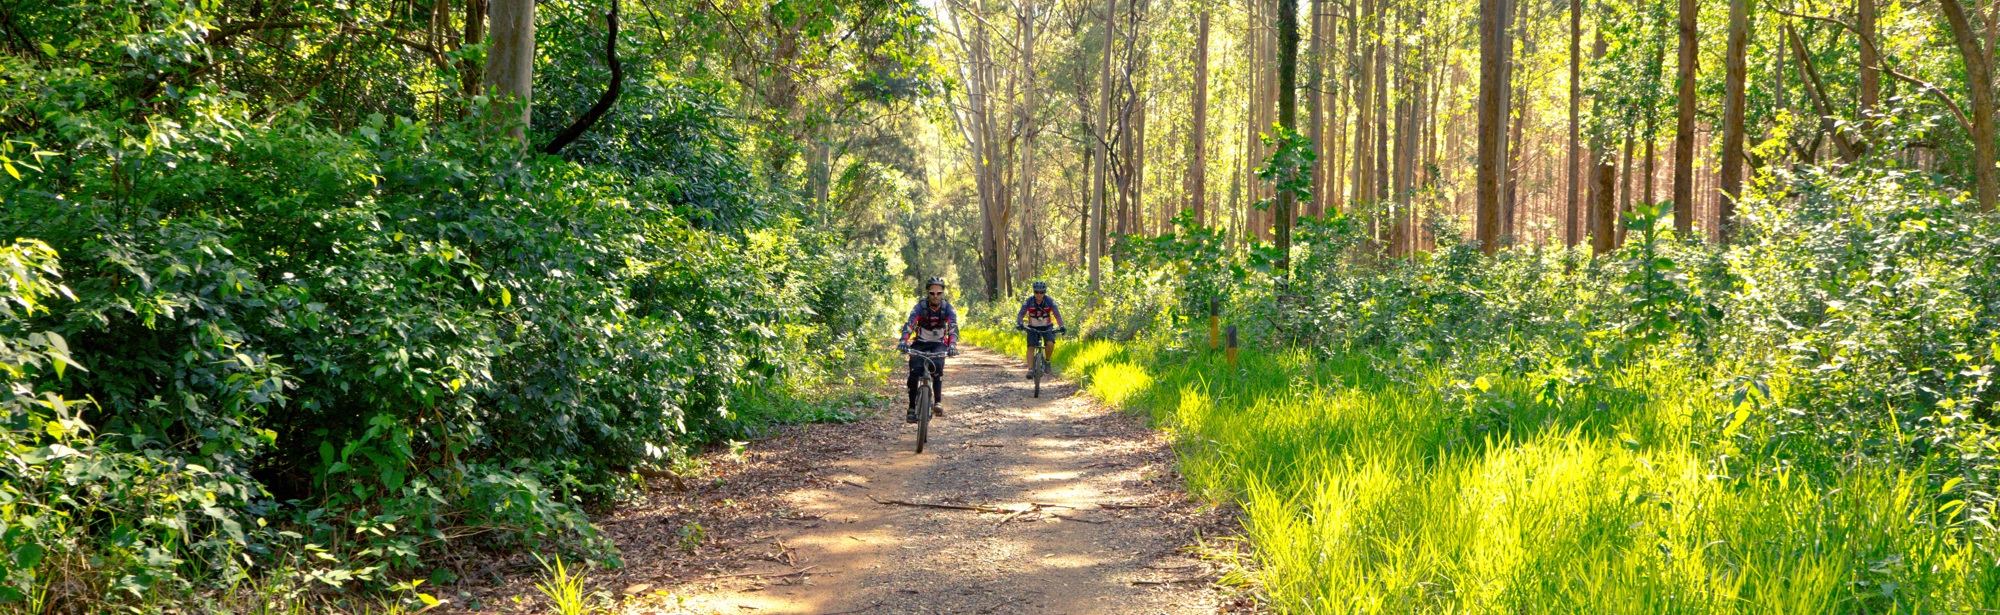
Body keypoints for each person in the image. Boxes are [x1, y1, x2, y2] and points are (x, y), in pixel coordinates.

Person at [896, 277, 959, 423]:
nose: (935, 296)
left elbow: (953, 328)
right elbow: (910, 324)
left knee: (937, 367)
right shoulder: (920, 307)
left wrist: (953, 345)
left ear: (943, 293)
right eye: (932, 293)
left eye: (938, 293)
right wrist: (903, 340)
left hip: (938, 344)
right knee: (914, 373)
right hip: (920, 343)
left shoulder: (948, 309)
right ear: (927, 293)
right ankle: (911, 407)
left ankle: (938, 402)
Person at [1014, 280, 1066, 370]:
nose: (1039, 294)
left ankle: (1047, 361)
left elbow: (1057, 314)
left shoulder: (1049, 301)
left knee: (1050, 343)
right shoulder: (1029, 301)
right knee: (1031, 346)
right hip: (1032, 327)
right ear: (1034, 292)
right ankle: (1030, 369)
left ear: (1044, 292)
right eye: (1036, 292)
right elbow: (1021, 314)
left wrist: (1061, 326)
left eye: (1041, 292)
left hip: (1047, 326)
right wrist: (1020, 323)